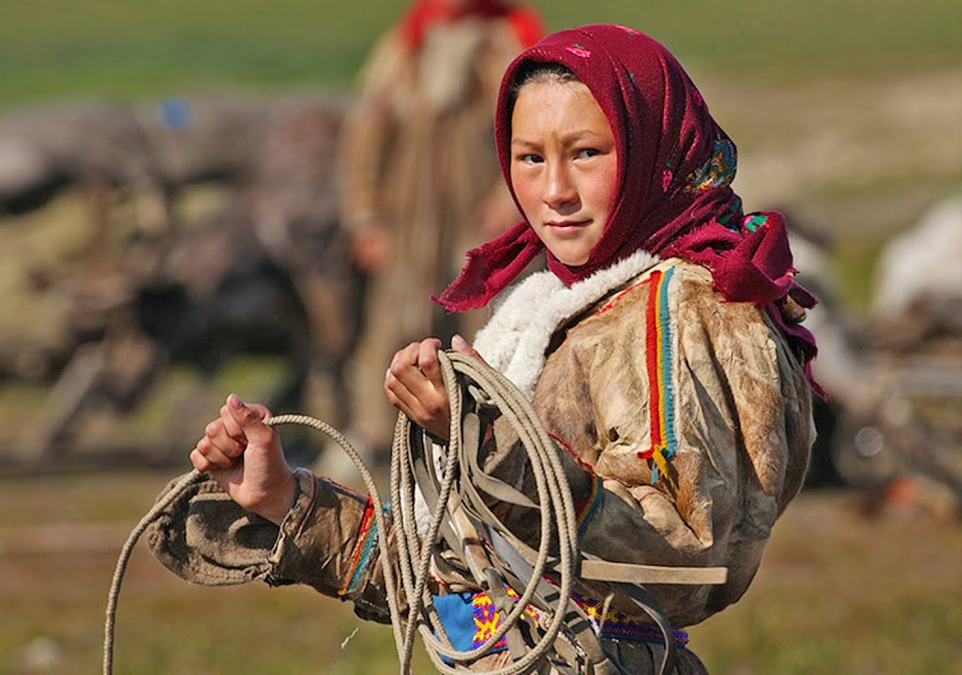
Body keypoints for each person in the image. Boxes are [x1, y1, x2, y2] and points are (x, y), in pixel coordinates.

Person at [150, 25, 819, 673]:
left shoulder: (684, 310)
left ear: (653, 149)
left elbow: (683, 563)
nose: (554, 191)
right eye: (530, 158)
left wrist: (486, 440)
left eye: (586, 152)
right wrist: (289, 500)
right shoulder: (550, 312)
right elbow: (475, 580)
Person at [341, 0, 544, 454]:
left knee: (484, 325)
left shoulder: (510, 42)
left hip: (481, 221)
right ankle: (375, 436)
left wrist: (508, 200)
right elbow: (367, 134)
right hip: (406, 220)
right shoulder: (408, 45)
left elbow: (532, 133)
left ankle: (488, 440)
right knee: (394, 323)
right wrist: (366, 217)